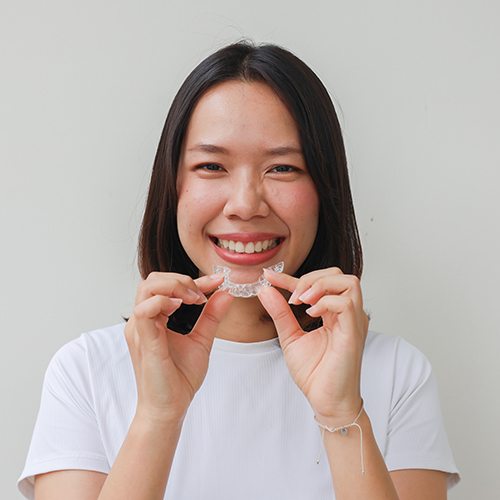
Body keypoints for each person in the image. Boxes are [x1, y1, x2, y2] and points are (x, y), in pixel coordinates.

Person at [18, 40, 460, 499]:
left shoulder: (398, 373)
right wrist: (158, 416)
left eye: (283, 168)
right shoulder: (85, 372)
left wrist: (341, 413)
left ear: (325, 190)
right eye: (211, 165)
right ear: (173, 187)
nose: (246, 205)